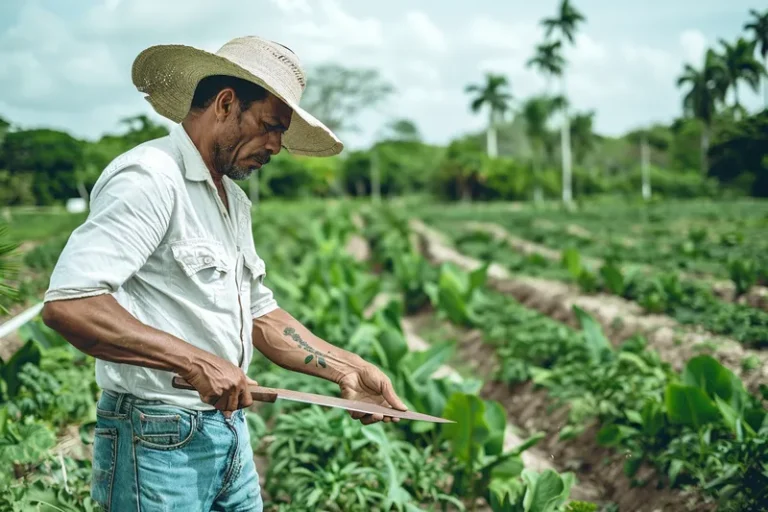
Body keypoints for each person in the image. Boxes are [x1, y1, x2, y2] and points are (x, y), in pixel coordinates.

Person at [41, 35, 407, 512]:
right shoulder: (151, 178)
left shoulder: (232, 199)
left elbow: (260, 315)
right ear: (226, 103)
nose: (277, 145)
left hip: (229, 431)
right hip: (156, 440)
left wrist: (347, 369)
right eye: (270, 126)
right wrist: (196, 362)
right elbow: (72, 303)